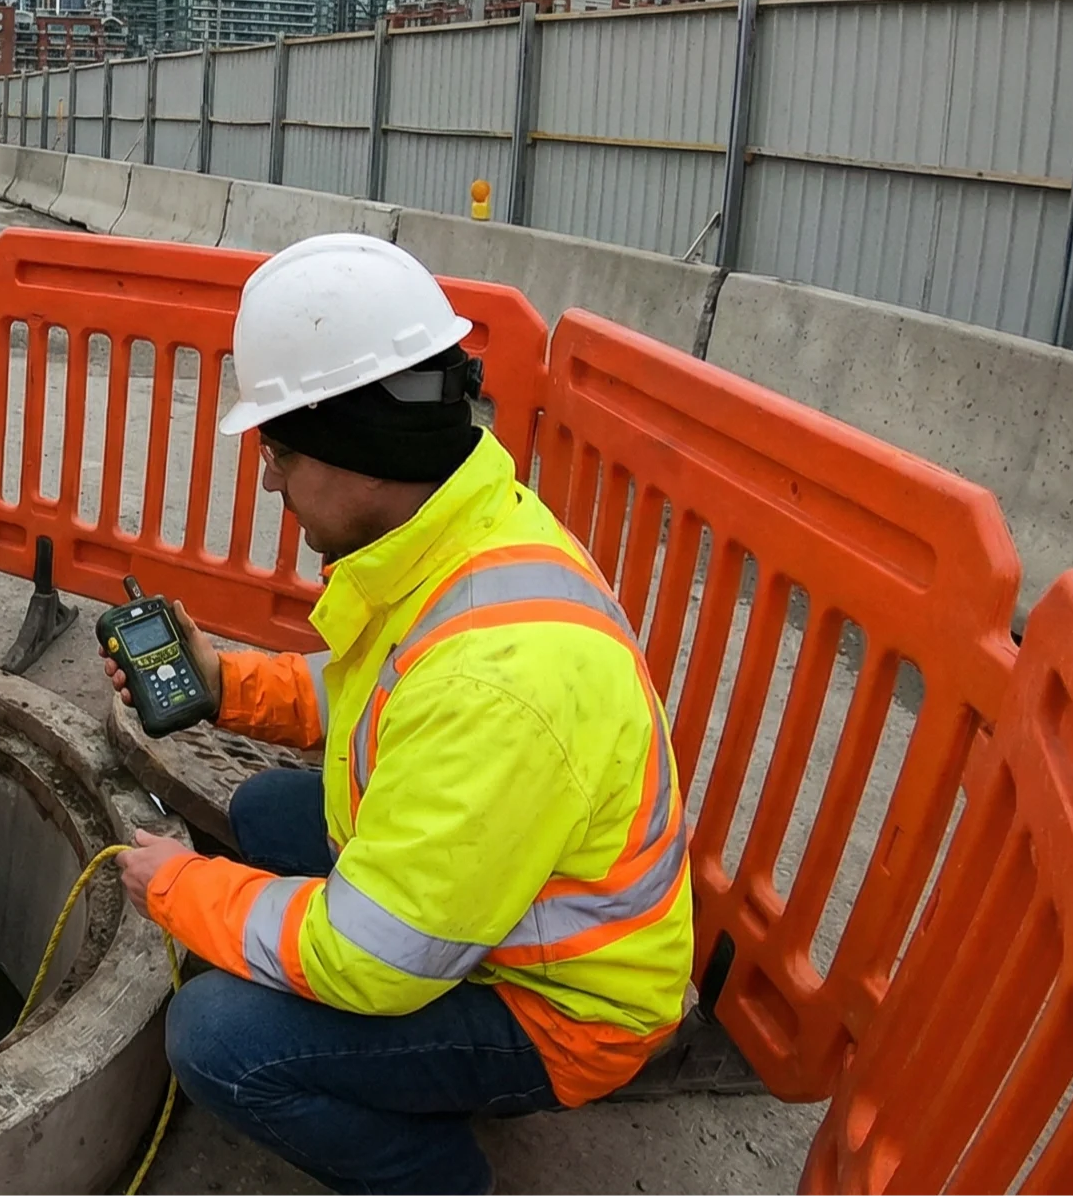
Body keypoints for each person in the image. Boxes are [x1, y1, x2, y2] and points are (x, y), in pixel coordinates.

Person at [104, 233, 692, 1197]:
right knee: (262, 813)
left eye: (280, 450)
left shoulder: (494, 678)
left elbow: (372, 960)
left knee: (215, 1037)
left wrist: (178, 887)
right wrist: (225, 685)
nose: (267, 480)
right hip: (500, 905)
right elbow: (377, 698)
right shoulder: (460, 531)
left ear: (363, 449)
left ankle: (441, 1180)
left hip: (557, 1002)